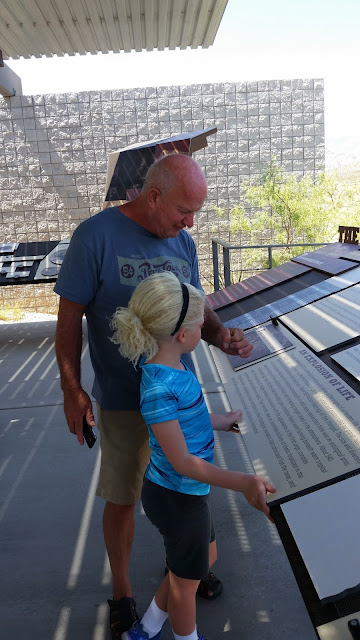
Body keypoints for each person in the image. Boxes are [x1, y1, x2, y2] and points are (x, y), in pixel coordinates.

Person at [54, 153, 254, 638]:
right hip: (123, 400)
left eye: (195, 216)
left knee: (183, 488)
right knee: (123, 498)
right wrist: (72, 388)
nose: (189, 224)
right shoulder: (95, 237)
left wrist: (220, 335)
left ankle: (185, 569)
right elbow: (68, 320)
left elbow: (197, 306)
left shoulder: (180, 240)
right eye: (183, 211)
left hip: (174, 393)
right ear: (154, 194)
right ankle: (123, 592)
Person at [110, 271, 276, 640]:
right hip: (175, 497)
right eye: (201, 324)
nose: (206, 329)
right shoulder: (158, 387)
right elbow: (183, 461)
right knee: (186, 587)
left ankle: (146, 628)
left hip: (187, 494)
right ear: (184, 336)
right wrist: (243, 481)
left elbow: (190, 418)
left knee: (202, 562)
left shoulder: (174, 368)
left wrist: (222, 422)